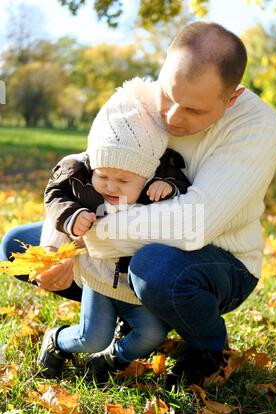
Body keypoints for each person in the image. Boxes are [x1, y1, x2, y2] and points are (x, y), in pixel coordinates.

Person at [0, 22, 276, 388]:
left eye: (193, 110)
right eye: (168, 96)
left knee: (158, 268)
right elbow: (87, 163)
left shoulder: (257, 126)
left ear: (231, 99)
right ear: (164, 69)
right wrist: (57, 246)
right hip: (124, 244)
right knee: (18, 248)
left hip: (215, 260)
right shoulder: (140, 98)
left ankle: (208, 348)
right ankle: (130, 309)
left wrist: (83, 238)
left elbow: (195, 223)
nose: (172, 117)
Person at [36, 77, 191, 381]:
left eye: (123, 182)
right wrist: (71, 218)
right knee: (92, 335)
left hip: (137, 288)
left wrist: (169, 188)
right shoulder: (83, 184)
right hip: (98, 276)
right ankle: (57, 341)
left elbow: (185, 199)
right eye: (103, 175)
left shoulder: (157, 184)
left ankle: (109, 358)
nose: (110, 186)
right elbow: (56, 198)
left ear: (147, 176)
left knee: (152, 334)